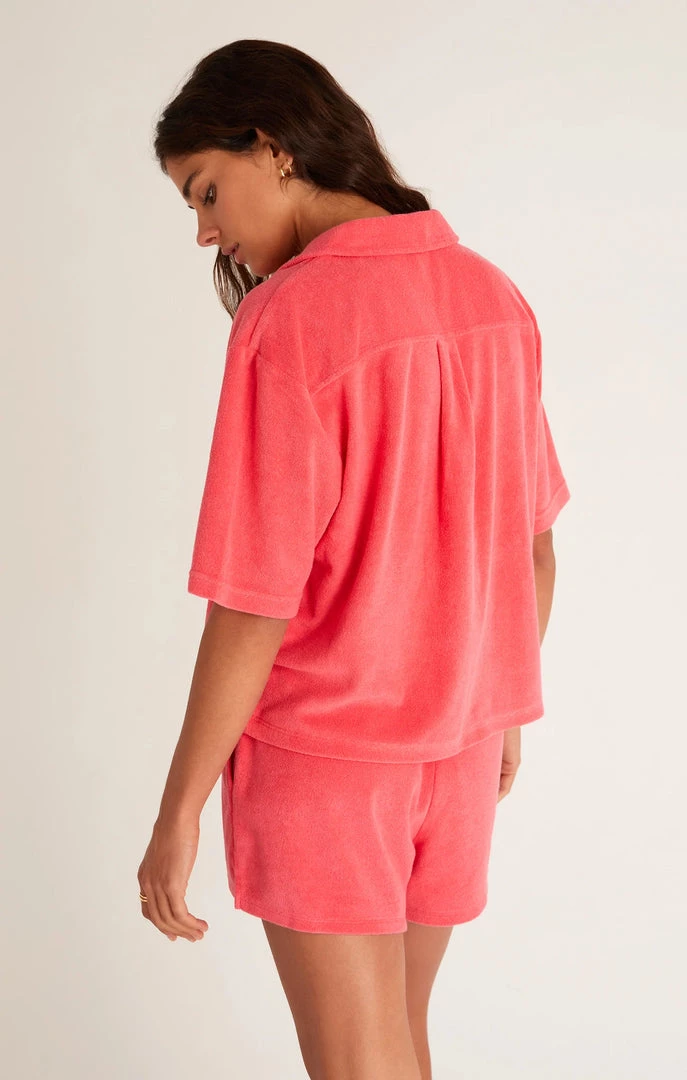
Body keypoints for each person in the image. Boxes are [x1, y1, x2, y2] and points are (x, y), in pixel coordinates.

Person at [137, 38, 571, 1080]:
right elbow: (532, 547)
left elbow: (254, 601)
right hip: (458, 757)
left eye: (206, 192)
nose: (205, 233)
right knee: (398, 1049)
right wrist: (496, 709)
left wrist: (179, 809)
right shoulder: (492, 295)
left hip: (327, 763)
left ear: (272, 146)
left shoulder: (288, 320)